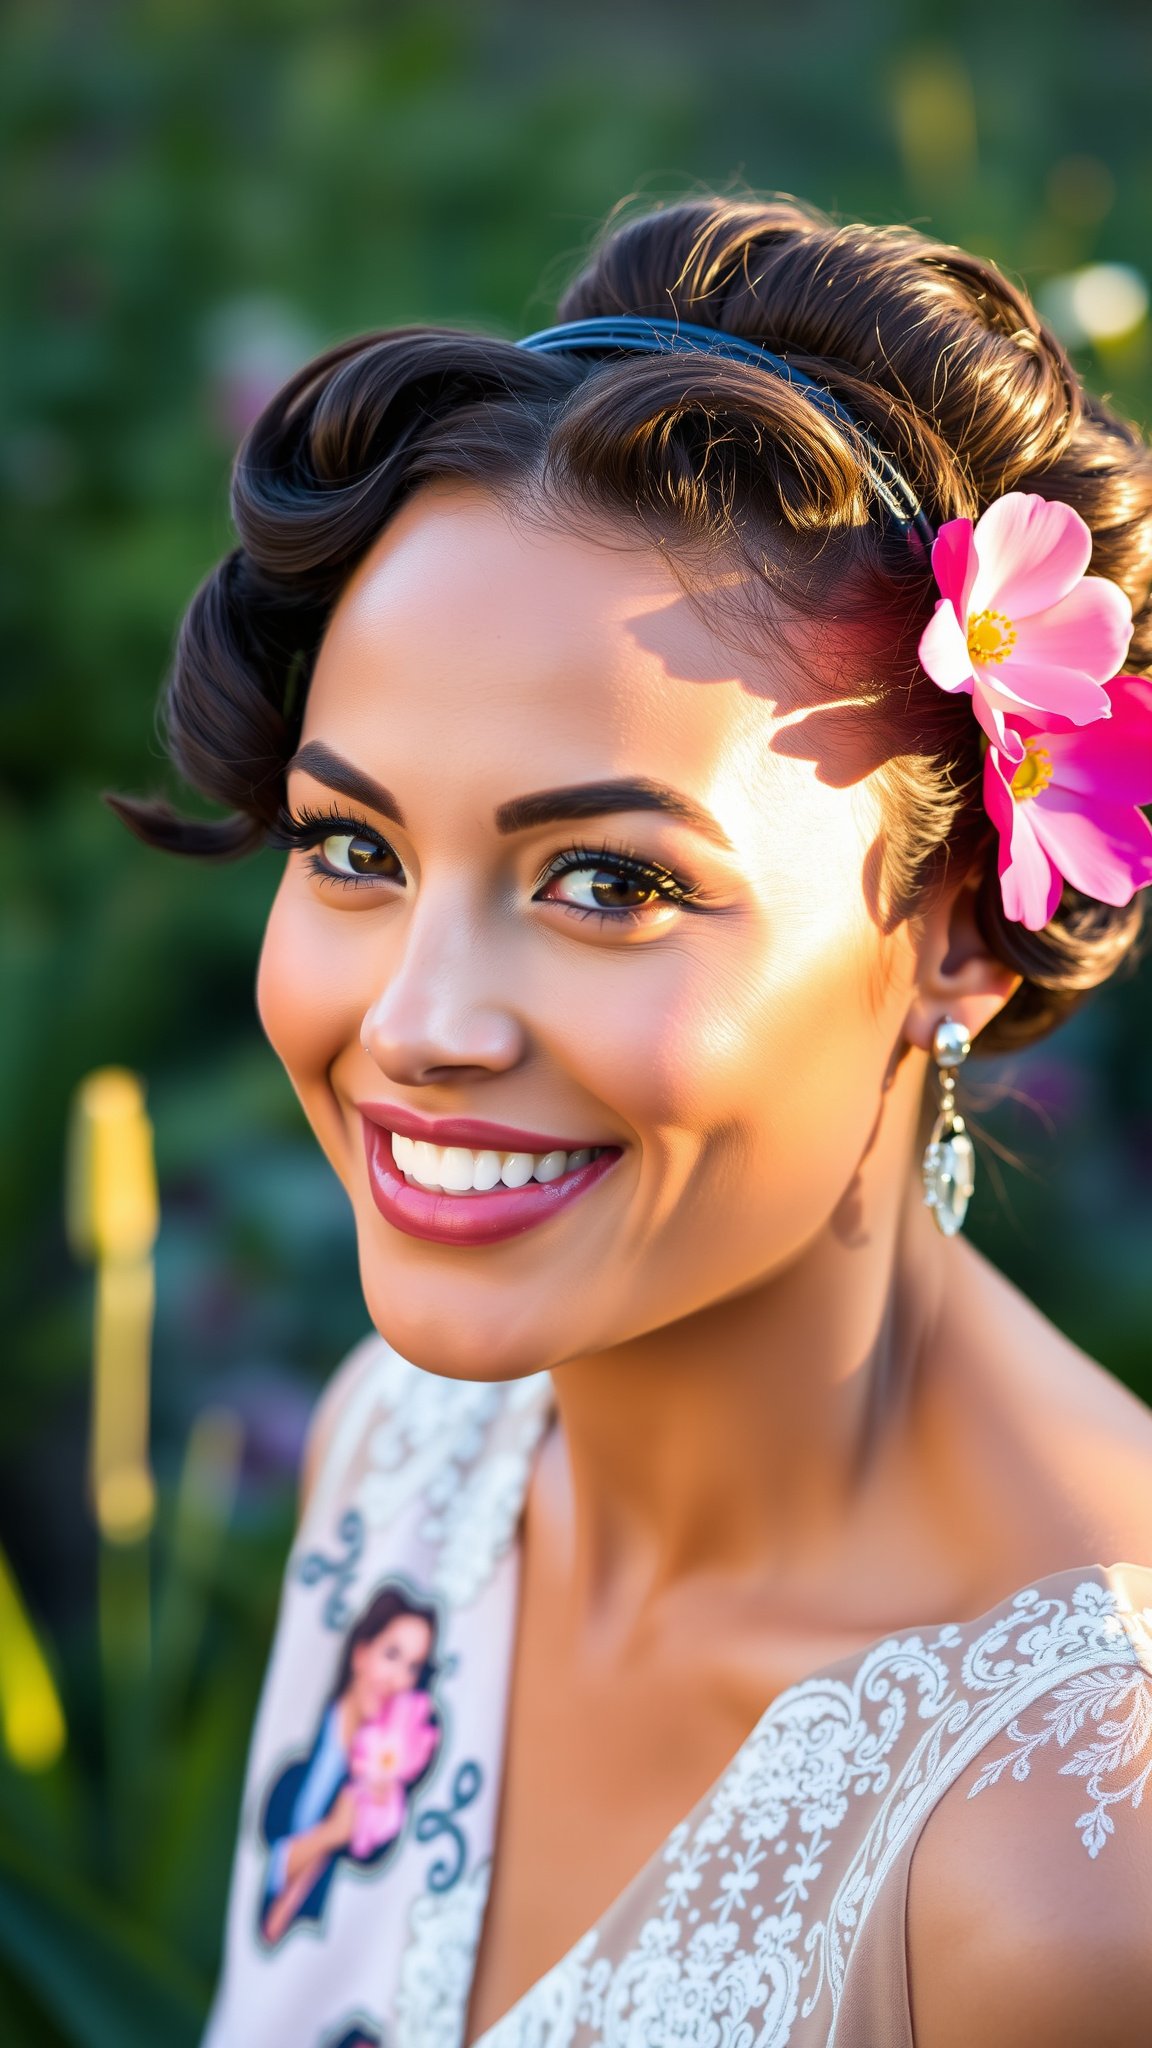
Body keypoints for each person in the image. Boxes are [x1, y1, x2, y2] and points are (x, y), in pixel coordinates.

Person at [107, 196, 1152, 2046]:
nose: (415, 1026)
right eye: (353, 848)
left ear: (965, 934)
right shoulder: (403, 1457)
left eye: (607, 881)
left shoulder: (1067, 1873)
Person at [257, 1584, 439, 1946]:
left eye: (412, 1668)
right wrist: (332, 1832)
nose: (397, 1680)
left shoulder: (381, 1774)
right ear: (360, 1652)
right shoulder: (300, 1755)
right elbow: (266, 1870)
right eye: (391, 1654)